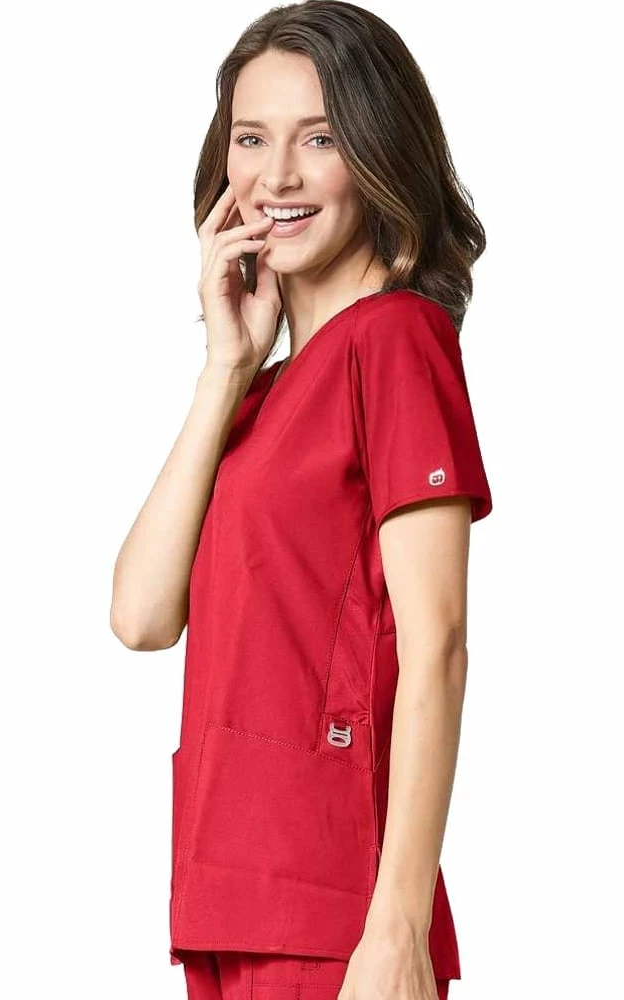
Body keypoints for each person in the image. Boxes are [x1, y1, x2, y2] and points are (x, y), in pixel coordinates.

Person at [110, 2, 493, 999]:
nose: (275, 176)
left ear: (375, 154)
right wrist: (225, 366)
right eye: (251, 139)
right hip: (226, 891)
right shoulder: (262, 393)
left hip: (334, 909)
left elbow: (439, 643)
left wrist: (398, 926)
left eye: (317, 139)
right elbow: (141, 616)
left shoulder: (395, 340)